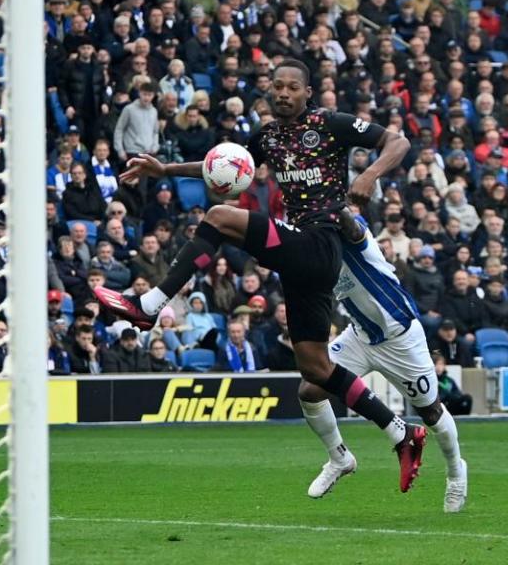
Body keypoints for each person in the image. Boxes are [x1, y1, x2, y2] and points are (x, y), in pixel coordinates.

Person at [93, 59, 426, 491]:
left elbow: (397, 143)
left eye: (292, 87)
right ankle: (401, 433)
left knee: (217, 217)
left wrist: (369, 172)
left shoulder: (330, 123)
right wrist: (165, 170)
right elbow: (220, 167)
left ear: (308, 93)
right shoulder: (267, 136)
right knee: (315, 367)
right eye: (277, 87)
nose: (284, 93)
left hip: (323, 242)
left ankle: (148, 306)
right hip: (302, 256)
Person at [297, 217, 467, 511]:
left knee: (431, 412)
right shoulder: (318, 255)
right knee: (310, 390)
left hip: (400, 337)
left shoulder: (354, 240)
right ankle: (339, 458)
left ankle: (455, 472)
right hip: (360, 336)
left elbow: (353, 227)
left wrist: (336, 209)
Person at [434, 352, 472, 416]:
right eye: (436, 364)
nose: (438, 367)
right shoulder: (432, 381)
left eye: (440, 364)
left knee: (467, 398)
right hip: (440, 408)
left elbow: (458, 393)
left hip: (453, 405)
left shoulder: (449, 380)